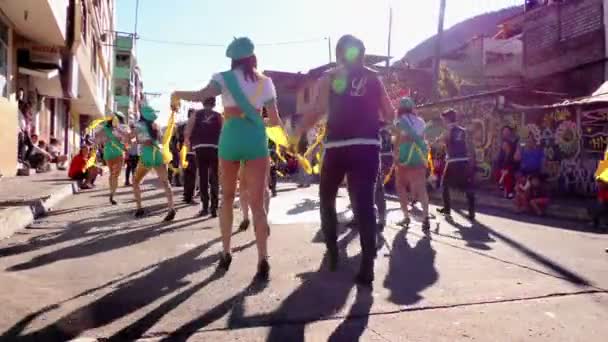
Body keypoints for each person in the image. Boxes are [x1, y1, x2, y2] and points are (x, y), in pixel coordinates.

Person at [171, 37, 283, 281]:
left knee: (227, 197)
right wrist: (254, 120)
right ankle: (263, 258)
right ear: (253, 57)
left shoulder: (223, 78)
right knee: (257, 203)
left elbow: (200, 95)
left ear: (232, 59)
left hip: (230, 137)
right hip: (255, 139)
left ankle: (226, 251)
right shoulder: (266, 83)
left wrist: (177, 93)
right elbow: (274, 122)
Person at [294, 34, 395, 287]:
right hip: (368, 146)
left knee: (327, 197)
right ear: (362, 53)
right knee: (364, 202)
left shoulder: (328, 77)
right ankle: (367, 266)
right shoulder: (374, 77)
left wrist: (298, 134)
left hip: (337, 147)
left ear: (339, 54)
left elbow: (317, 110)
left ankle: (333, 252)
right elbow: (390, 114)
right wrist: (373, 121)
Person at [131, 105, 176, 222]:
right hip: (159, 154)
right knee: (166, 183)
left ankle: (139, 208)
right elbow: (158, 139)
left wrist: (124, 135)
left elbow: (135, 138)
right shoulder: (156, 126)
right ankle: (171, 208)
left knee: (136, 181)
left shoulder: (138, 125)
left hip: (147, 154)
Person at [393, 97, 431, 231]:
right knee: (422, 188)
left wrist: (395, 155)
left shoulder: (399, 121)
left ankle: (406, 216)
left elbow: (398, 139)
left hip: (404, 156)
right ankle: (425, 216)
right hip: (419, 156)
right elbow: (423, 139)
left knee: (401, 186)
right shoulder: (420, 121)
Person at [184, 98, 223, 217]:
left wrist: (187, 140)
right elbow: (224, 131)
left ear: (203, 103)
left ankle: (205, 207)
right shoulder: (218, 116)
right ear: (214, 104)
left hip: (200, 148)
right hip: (215, 147)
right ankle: (214, 208)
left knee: (203, 177)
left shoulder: (196, 114)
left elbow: (188, 130)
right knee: (215, 177)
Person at [437, 109, 476, 220]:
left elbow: (446, 142)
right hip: (464, 160)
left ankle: (447, 210)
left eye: (443, 119)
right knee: (468, 186)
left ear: (448, 119)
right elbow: (469, 147)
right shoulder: (463, 130)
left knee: (444, 185)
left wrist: (439, 141)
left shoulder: (448, 130)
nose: (443, 121)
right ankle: (471, 211)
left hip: (453, 161)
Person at [96, 112, 129, 205]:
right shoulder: (119, 129)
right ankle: (112, 194)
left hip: (108, 153)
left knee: (112, 174)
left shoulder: (104, 129)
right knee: (115, 175)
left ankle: (112, 193)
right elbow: (125, 139)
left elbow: (98, 140)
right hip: (118, 152)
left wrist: (102, 146)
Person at [494, 126, 519, 199]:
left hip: (511, 168)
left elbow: (514, 161)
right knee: (498, 172)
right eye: (504, 131)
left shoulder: (513, 147)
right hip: (502, 168)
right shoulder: (502, 152)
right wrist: (502, 169)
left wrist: (506, 170)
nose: (504, 146)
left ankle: (509, 192)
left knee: (508, 175)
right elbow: (499, 161)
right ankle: (504, 189)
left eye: (507, 131)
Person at [124, 121, 140, 186]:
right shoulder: (131, 134)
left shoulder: (131, 133)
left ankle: (128, 181)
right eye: (133, 127)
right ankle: (132, 181)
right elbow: (128, 143)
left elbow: (129, 143)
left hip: (133, 152)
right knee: (133, 167)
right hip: (132, 153)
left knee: (130, 167)